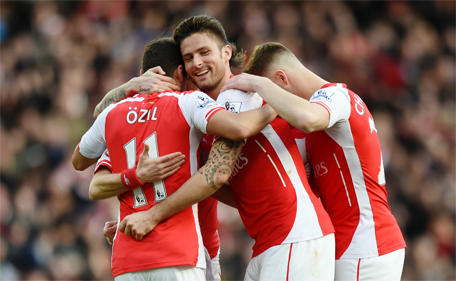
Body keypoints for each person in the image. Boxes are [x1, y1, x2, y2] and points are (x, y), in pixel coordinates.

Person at [116, 15, 335, 281]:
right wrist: (125, 89)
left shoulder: (237, 92)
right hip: (270, 242)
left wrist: (152, 216)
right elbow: (219, 187)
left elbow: (217, 172)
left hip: (297, 235)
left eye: (204, 52)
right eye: (188, 57)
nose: (197, 63)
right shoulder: (204, 117)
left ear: (226, 52)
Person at [72, 37, 276, 280]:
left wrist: (134, 186)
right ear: (181, 72)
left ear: (141, 74)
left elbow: (82, 165)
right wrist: (275, 102)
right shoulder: (190, 103)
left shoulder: (113, 114)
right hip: (183, 252)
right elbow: (238, 129)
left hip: (128, 257)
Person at [222, 42, 407, 281]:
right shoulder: (312, 128)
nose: (273, 106)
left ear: (281, 78)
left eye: (270, 96)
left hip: (365, 244)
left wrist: (258, 83)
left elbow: (308, 118)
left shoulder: (336, 96)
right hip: (356, 244)